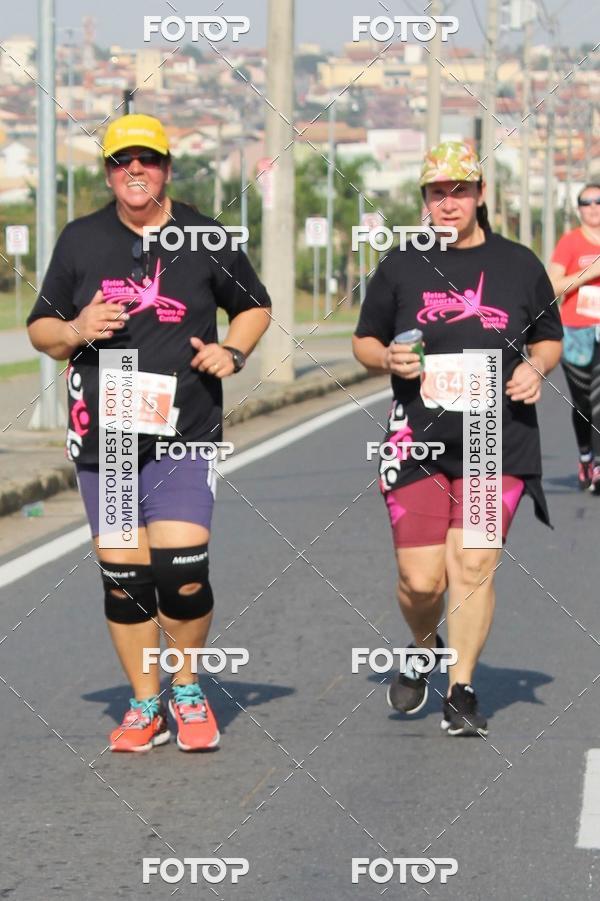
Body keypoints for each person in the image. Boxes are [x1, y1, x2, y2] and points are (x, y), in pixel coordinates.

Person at [27, 114, 271, 752]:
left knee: (182, 571)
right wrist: (76, 328)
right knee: (126, 581)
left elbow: (253, 305)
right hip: (106, 443)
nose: (134, 171)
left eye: (147, 160)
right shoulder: (81, 240)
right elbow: (41, 331)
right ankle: (144, 704)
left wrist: (234, 353)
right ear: (107, 172)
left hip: (184, 433)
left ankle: (187, 688)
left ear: (167, 168)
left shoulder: (205, 236)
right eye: (120, 161)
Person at [353, 141, 562, 736]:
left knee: (472, 564)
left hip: (495, 438)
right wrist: (388, 356)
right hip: (416, 437)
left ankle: (461, 688)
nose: (449, 203)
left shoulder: (519, 264)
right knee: (422, 580)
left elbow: (549, 336)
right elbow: (365, 341)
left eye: (460, 191)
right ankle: (424, 644)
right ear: (424, 200)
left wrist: (535, 367)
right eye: (437, 193)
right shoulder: (402, 264)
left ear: (480, 195)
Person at [547, 184, 600, 493]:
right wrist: (588, 273)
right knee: (582, 401)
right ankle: (585, 454)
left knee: (599, 396)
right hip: (576, 330)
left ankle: (597, 464)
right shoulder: (570, 243)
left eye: (599, 201)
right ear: (579, 208)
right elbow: (550, 287)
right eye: (586, 202)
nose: (593, 207)